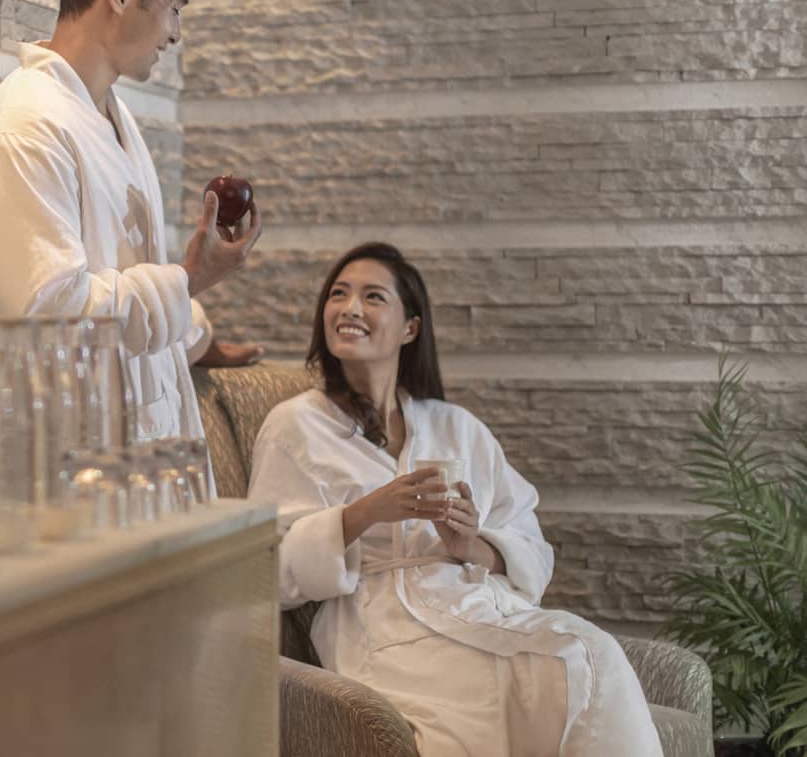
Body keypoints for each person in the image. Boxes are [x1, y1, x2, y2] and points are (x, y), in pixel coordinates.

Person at [247, 242, 661, 756]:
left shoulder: (456, 427)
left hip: (477, 607)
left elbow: (529, 542)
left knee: (591, 655)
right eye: (338, 294)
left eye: (372, 296)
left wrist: (471, 544)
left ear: (410, 328)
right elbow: (263, 567)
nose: (350, 308)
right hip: (383, 634)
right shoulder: (295, 426)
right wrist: (363, 514)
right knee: (544, 677)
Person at [0, 0, 262, 443]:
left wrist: (193, 335)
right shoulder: (25, 128)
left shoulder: (111, 117)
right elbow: (47, 321)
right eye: (175, 6)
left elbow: (122, 277)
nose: (176, 31)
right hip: (82, 476)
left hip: (146, 463)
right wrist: (191, 279)